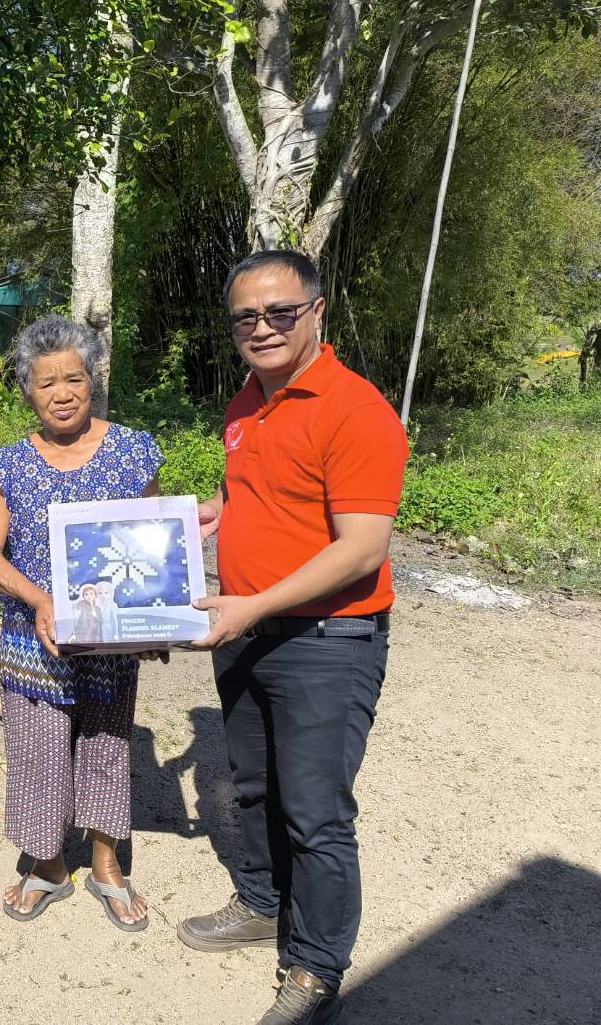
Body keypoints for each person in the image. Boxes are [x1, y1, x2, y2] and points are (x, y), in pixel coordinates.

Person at [179, 250, 410, 1025]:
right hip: (247, 630)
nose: (262, 327)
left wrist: (252, 605)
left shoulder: (354, 410)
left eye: (280, 312)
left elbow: (361, 549)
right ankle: (259, 903)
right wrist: (216, 511)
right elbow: (260, 488)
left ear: (316, 312)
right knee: (252, 787)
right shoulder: (247, 399)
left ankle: (314, 970)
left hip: (325, 640)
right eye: (245, 316)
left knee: (314, 814)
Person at [0, 315, 163, 930]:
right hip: (34, 637)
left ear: (93, 381)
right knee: (38, 751)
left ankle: (106, 864)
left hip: (109, 638)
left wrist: (157, 618)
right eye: (46, 381)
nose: (61, 393)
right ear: (27, 390)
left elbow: (156, 541)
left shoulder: (133, 451)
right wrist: (40, 600)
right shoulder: (9, 464)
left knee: (108, 743)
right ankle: (50, 864)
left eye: (74, 379)